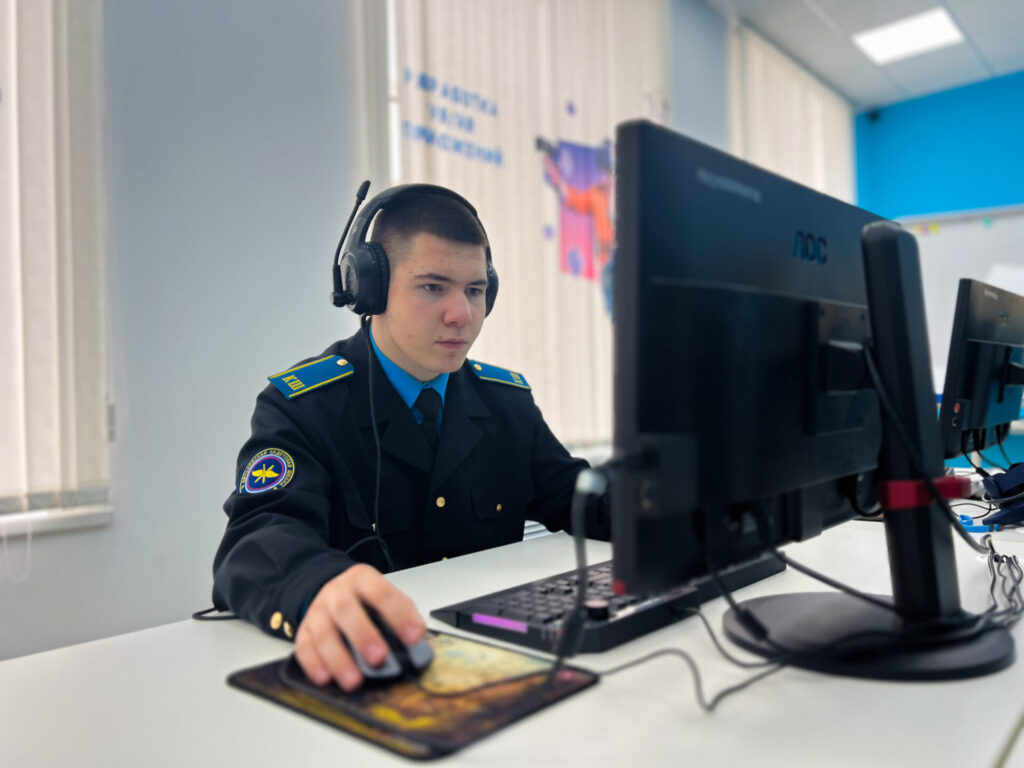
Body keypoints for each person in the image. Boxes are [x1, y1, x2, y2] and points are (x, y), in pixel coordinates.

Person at [211, 184, 610, 691]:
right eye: (433, 287)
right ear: (370, 289)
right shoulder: (306, 406)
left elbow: (581, 498)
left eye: (474, 290)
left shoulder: (505, 403)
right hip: (368, 669)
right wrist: (318, 588)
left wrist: (669, 499)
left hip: (490, 660)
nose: (461, 314)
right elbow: (257, 537)